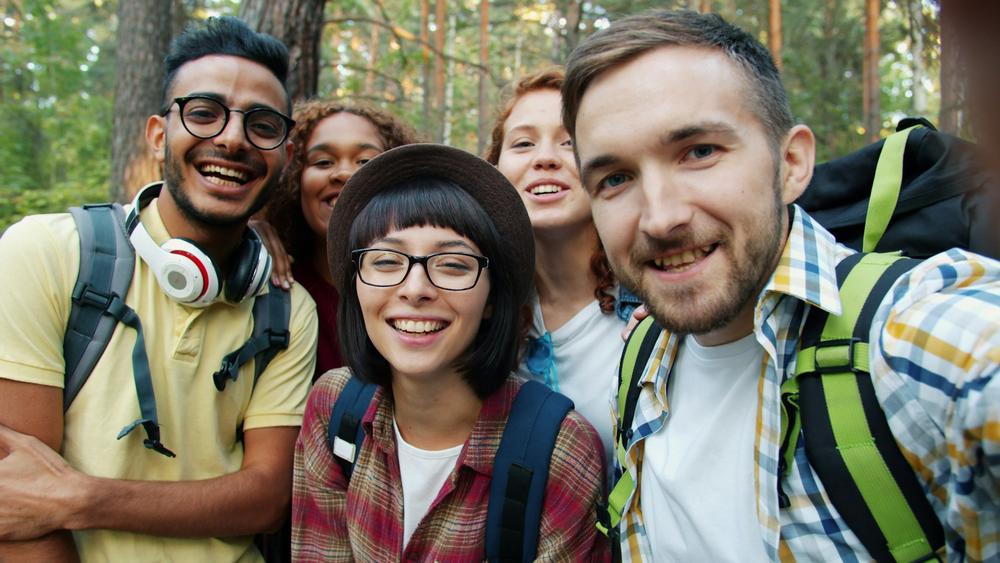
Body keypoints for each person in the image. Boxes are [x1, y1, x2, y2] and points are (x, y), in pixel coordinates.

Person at [560, 9, 1000, 562]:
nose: (659, 217)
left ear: (791, 163)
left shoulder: (909, 335)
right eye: (616, 178)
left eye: (699, 152)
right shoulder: (641, 363)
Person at [0, 17, 318, 562]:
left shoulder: (288, 307)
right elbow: (19, 499)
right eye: (203, 113)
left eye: (263, 125)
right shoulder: (46, 252)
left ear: (283, 156)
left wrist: (83, 498)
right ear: (157, 134)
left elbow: (266, 499)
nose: (233, 138)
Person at [291, 143, 608, 561]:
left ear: (492, 297)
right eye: (386, 261)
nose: (416, 289)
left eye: (453, 265)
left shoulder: (559, 450)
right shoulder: (334, 407)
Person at [484, 68, 639, 461]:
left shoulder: (656, 306)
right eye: (522, 144)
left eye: (570, 141)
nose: (545, 159)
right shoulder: (479, 310)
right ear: (495, 168)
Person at [259, 101, 420, 379]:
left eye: (365, 161)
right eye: (323, 162)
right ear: (293, 179)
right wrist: (244, 239)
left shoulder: (421, 288)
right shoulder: (273, 282)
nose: (344, 173)